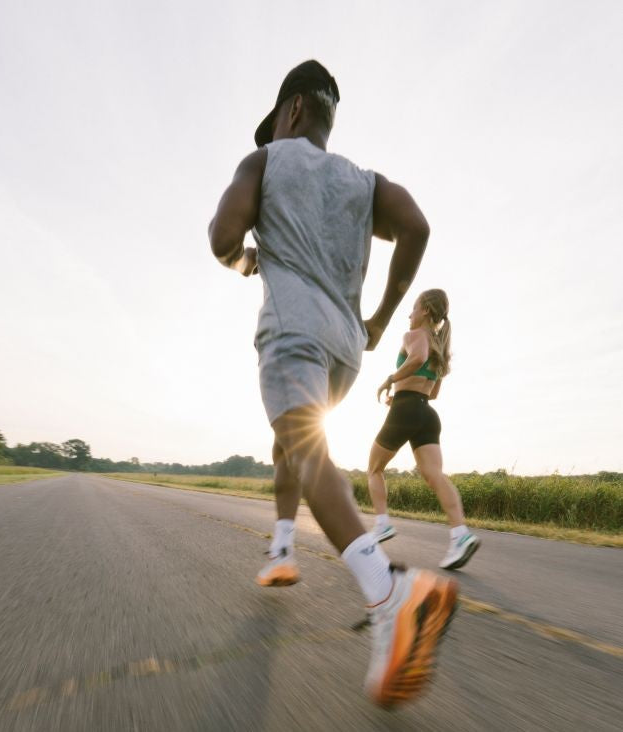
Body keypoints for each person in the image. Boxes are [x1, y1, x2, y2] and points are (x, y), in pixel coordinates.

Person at [208, 60, 457, 706]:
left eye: (276, 127)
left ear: (291, 111)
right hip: (345, 348)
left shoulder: (263, 163)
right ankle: (283, 547)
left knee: (304, 446)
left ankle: (388, 590)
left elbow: (221, 236)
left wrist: (244, 261)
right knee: (294, 443)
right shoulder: (360, 180)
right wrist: (377, 315)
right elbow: (417, 225)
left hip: (292, 328)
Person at [369, 289, 481, 570]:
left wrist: (390, 380)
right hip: (426, 414)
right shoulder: (440, 344)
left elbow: (416, 359)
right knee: (435, 476)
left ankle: (381, 524)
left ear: (426, 312)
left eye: (414, 308)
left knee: (374, 468)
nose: (409, 314)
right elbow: (433, 392)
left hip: (406, 411)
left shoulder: (415, 335)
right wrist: (403, 392)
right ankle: (460, 535)